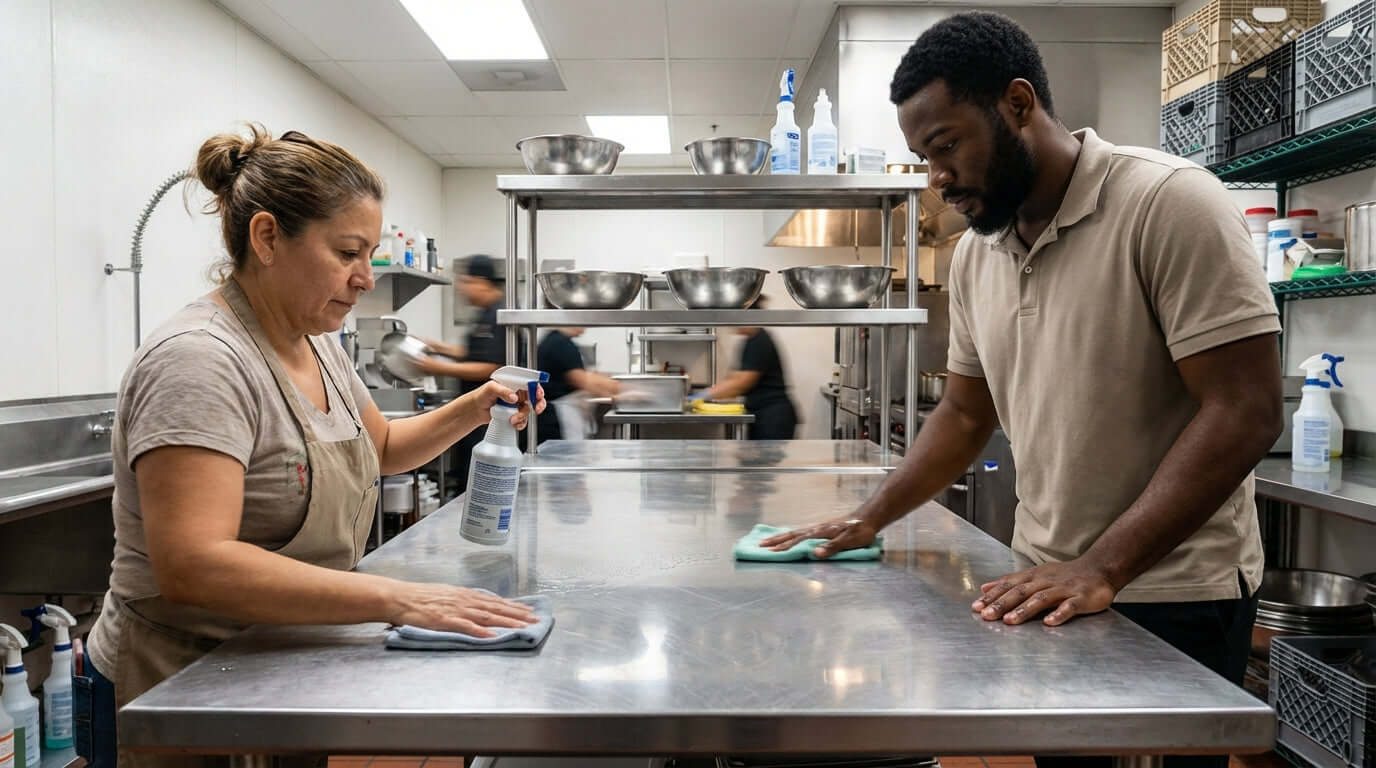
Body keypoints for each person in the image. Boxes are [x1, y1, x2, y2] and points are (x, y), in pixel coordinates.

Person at [763, 15, 1282, 768]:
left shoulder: (1168, 203)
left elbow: (1245, 409)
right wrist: (868, 518)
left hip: (1176, 591)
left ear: (1015, 103)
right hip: (1044, 583)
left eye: (945, 147)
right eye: (923, 157)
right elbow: (967, 413)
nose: (936, 178)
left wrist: (1104, 567)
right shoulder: (980, 257)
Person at [80, 125, 543, 768]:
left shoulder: (316, 341)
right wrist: (398, 598)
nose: (364, 278)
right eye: (348, 252)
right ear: (267, 237)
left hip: (275, 664)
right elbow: (194, 566)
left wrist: (475, 405)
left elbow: (381, 447)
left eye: (371, 254)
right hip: (179, 688)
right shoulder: (202, 362)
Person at [416, 255, 510, 488]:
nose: (461, 289)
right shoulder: (485, 314)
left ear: (482, 282)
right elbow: (472, 354)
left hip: (490, 420)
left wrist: (436, 367)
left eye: (465, 282)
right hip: (477, 416)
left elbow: (491, 368)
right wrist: (436, 347)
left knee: (478, 483)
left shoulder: (499, 316)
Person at [696, 295, 798, 440]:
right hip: (764, 414)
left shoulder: (759, 341)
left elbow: (741, 384)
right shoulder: (751, 341)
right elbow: (734, 378)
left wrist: (702, 396)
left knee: (764, 462)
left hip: (773, 417)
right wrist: (708, 393)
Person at [526, 327, 621, 445]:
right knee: (563, 458)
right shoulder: (559, 343)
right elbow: (581, 380)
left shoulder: (559, 340)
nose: (584, 326)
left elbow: (583, 375)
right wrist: (621, 391)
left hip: (556, 416)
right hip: (556, 420)